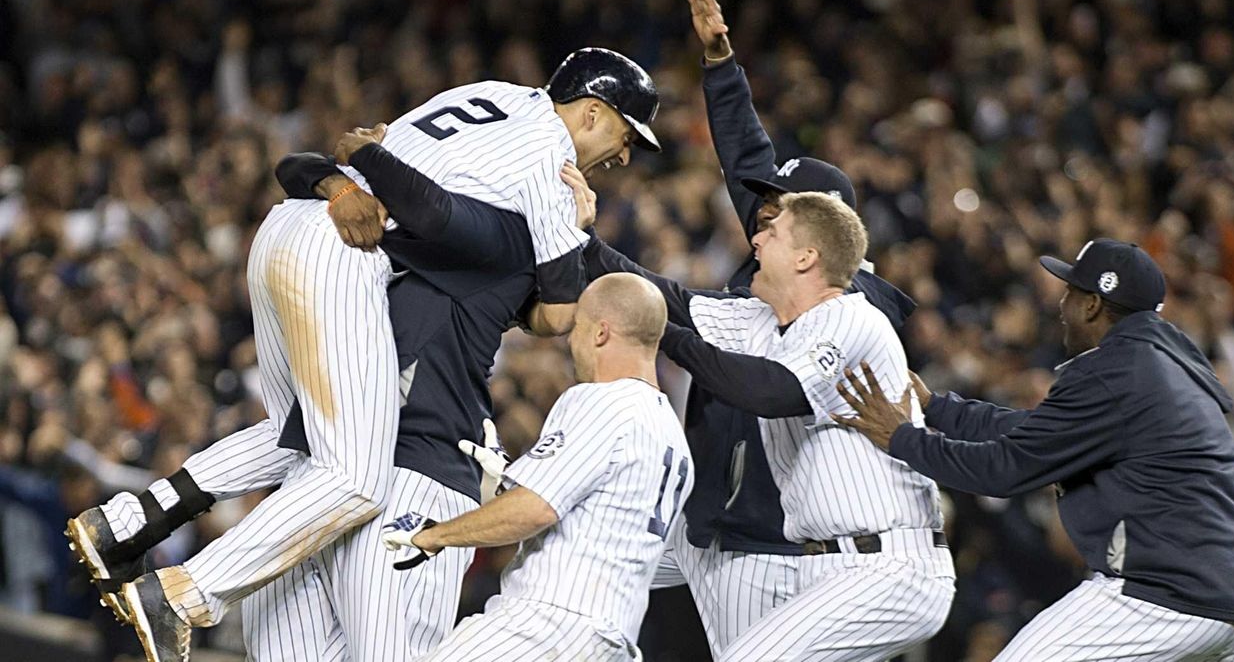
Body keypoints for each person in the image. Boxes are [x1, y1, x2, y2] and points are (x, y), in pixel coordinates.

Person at [67, 47, 660, 662]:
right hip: (345, 255)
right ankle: (186, 594)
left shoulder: (492, 100)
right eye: (627, 135)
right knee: (352, 478)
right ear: (592, 113)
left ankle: (133, 518)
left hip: (290, 226)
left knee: (300, 437)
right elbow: (562, 311)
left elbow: (345, 163)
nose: (623, 156)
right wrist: (579, 229)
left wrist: (349, 166)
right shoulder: (551, 166)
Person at [835, 238, 1234, 661]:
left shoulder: (1116, 372)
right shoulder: (1159, 364)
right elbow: (1040, 431)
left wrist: (901, 437)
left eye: (1070, 292)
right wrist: (938, 408)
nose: (1060, 306)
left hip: (1168, 598)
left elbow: (1002, 471)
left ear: (1092, 305)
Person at [648, 0, 918, 657]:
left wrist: (662, 327)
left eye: (779, 213)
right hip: (708, 516)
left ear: (820, 238)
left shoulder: (855, 299)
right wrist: (719, 62)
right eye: (763, 212)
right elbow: (747, 160)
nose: (760, 221)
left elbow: (770, 389)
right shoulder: (772, 263)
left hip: (764, 541)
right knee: (578, 572)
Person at [570, 183, 955, 660]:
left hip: (889, 564)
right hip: (826, 565)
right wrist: (582, 239)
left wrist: (669, 340)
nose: (756, 238)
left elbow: (770, 392)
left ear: (805, 258)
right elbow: (665, 299)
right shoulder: (762, 320)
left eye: (773, 231)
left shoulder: (852, 317)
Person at [383, 273, 693, 662]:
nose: (569, 340)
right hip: (612, 641)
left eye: (576, 328)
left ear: (600, 333)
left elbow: (536, 508)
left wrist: (434, 535)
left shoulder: (603, 401)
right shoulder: (673, 435)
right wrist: (505, 488)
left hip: (545, 625)